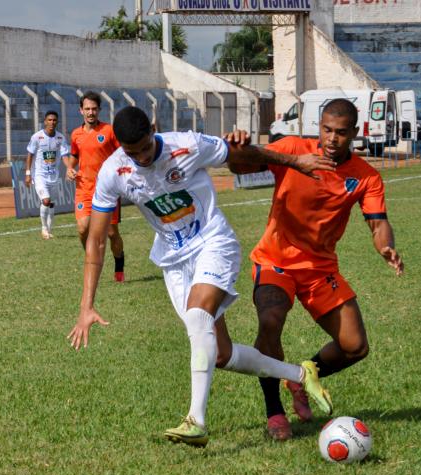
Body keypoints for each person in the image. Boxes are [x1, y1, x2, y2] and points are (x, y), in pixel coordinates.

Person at [68, 106, 337, 447]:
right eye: (132, 153)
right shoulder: (114, 171)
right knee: (220, 355)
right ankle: (301, 374)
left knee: (198, 315)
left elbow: (239, 151)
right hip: (174, 260)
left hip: (213, 243)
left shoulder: (188, 145)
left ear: (154, 131)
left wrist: (296, 162)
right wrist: (86, 305)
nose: (142, 159)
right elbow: (95, 239)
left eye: (146, 149)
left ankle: (196, 421)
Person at [232, 98, 404, 440]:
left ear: (354, 133)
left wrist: (385, 246)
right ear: (319, 126)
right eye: (326, 129)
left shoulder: (366, 177)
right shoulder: (295, 149)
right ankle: (274, 413)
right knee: (270, 321)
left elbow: (378, 223)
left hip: (319, 268)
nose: (332, 138)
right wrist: (240, 147)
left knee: (355, 346)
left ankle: (303, 374)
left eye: (341, 132)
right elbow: (240, 166)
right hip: (275, 260)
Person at [66, 92, 126, 282]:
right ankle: (92, 257)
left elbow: (122, 153)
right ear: (80, 110)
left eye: (94, 109)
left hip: (107, 189)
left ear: (99, 110)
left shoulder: (108, 131)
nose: (90, 112)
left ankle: (119, 266)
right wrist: (69, 168)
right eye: (87, 109)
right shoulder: (76, 134)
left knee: (111, 233)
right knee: (83, 228)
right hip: (84, 187)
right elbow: (75, 155)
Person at [25, 110, 71, 239]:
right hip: (39, 175)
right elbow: (29, 155)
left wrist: (69, 168)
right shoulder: (37, 137)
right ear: (45, 121)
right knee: (46, 200)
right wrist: (28, 173)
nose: (52, 122)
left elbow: (64, 155)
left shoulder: (60, 138)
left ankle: (49, 230)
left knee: (51, 203)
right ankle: (44, 228)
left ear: (57, 122)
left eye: (54, 120)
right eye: (49, 120)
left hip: (54, 176)